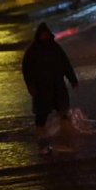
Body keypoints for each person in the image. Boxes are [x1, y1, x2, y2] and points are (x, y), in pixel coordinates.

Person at [22, 23, 79, 155]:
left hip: (57, 85)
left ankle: (66, 135)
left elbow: (66, 65)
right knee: (42, 113)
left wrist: (73, 80)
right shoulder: (32, 51)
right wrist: (30, 86)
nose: (45, 36)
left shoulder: (55, 48)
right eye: (43, 34)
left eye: (46, 34)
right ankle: (40, 137)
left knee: (63, 109)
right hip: (41, 88)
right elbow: (27, 70)